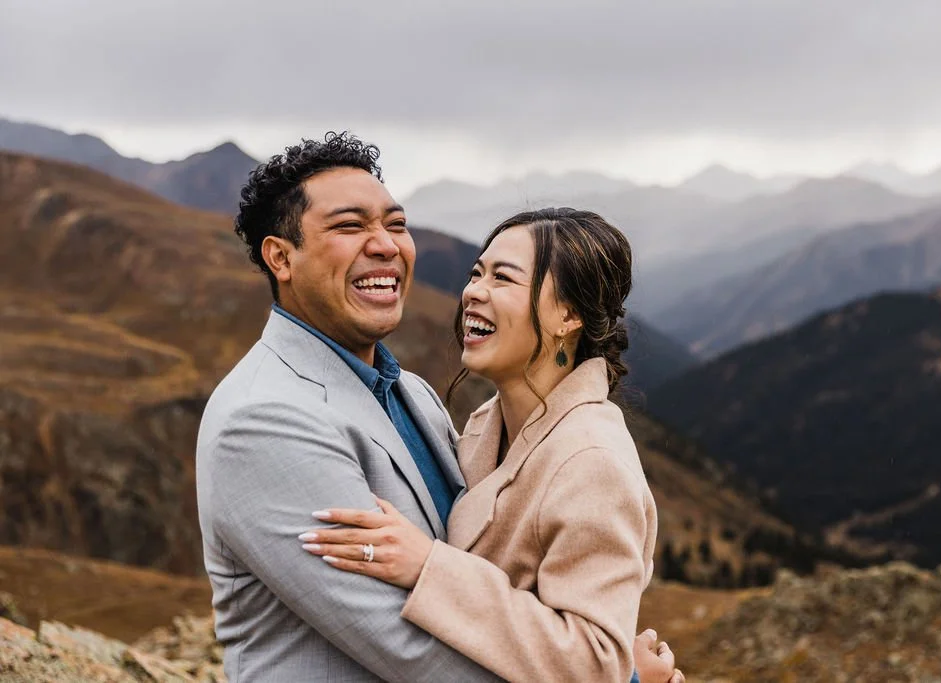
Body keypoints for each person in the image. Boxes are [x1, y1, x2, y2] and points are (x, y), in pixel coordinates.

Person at [196, 132, 681, 682]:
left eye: (396, 224)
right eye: (350, 226)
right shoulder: (263, 420)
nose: (385, 245)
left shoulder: (417, 397)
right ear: (281, 257)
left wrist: (608, 666)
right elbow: (411, 650)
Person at [301, 207, 684, 683]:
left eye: (503, 278)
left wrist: (428, 568)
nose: (473, 293)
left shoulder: (591, 460)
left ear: (568, 314)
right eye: (476, 273)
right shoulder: (487, 424)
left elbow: (595, 661)